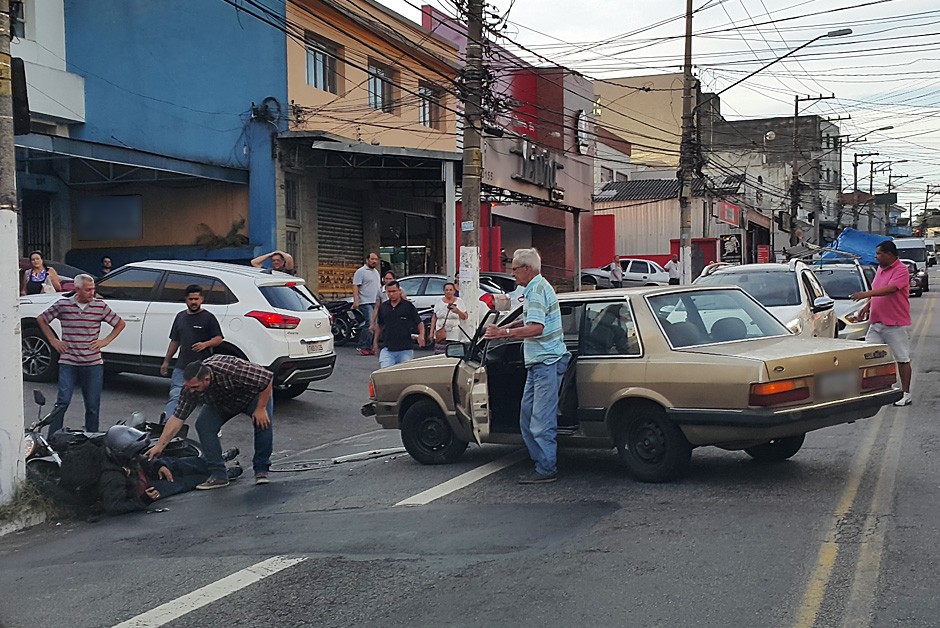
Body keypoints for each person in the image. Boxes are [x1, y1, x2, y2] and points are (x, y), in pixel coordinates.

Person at [484, 248, 570, 484]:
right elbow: (533, 320)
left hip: (546, 361)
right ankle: (540, 462)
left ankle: (546, 468)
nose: (512, 273)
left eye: (514, 269)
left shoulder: (536, 290)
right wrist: (506, 329)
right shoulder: (537, 288)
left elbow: (536, 328)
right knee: (528, 416)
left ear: (527, 269)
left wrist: (504, 332)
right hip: (540, 362)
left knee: (540, 420)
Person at [147, 355, 274, 488]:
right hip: (221, 403)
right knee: (203, 426)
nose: (191, 391)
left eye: (195, 387)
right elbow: (177, 418)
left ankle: (261, 470)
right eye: (189, 387)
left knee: (263, 422)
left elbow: (267, 378)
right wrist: (159, 446)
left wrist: (261, 408)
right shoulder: (189, 389)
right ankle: (219, 475)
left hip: (252, 397)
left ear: (206, 379)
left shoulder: (231, 369)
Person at [37, 274, 126, 435]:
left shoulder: (100, 306)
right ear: (77, 289)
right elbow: (42, 319)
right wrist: (53, 341)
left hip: (92, 364)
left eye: (93, 289)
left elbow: (120, 323)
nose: (92, 293)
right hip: (68, 361)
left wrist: (105, 341)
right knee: (62, 402)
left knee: (92, 405)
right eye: (88, 290)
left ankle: (92, 437)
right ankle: (53, 437)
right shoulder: (64, 304)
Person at [851, 240, 913, 407]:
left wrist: (865, 294)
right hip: (876, 322)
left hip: (895, 324)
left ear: (889, 254)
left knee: (902, 358)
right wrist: (867, 306)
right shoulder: (880, 269)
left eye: (879, 253)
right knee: (869, 357)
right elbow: (878, 292)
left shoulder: (901, 270)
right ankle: (875, 390)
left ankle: (906, 393)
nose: (876, 257)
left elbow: (891, 289)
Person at [98, 425, 211, 516]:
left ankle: (214, 462)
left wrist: (157, 466)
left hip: (140, 475)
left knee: (175, 464)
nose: (136, 455)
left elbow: (139, 458)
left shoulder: (124, 457)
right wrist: (144, 499)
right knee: (180, 483)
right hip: (144, 490)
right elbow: (115, 506)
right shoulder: (112, 477)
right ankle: (213, 476)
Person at [160, 284, 224, 421]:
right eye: (191, 299)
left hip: (203, 367)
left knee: (209, 399)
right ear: (186, 300)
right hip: (182, 366)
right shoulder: (180, 317)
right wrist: (166, 361)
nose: (194, 302)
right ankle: (169, 423)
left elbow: (219, 339)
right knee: (176, 394)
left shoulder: (208, 318)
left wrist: (205, 344)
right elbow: (174, 341)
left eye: (196, 299)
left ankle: (212, 424)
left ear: (202, 299)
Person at [373, 280, 425, 367]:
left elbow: (419, 322)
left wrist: (421, 335)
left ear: (399, 291)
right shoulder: (383, 307)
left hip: (405, 349)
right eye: (389, 292)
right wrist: (375, 342)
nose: (391, 294)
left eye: (394, 291)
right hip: (387, 349)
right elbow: (380, 325)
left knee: (403, 377)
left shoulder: (408, 306)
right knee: (385, 373)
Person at [353, 252, 381, 356]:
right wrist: (356, 300)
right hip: (365, 302)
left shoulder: (376, 272)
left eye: (376, 259)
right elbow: (355, 286)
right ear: (367, 260)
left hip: (375, 302)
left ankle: (370, 346)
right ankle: (362, 346)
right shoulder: (361, 271)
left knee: (375, 325)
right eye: (372, 259)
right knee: (369, 323)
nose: (374, 261)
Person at [430, 282, 468, 354]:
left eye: (450, 290)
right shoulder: (439, 302)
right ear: (443, 291)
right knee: (440, 354)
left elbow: (465, 317)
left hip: (454, 333)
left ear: (454, 291)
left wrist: (457, 311)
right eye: (446, 290)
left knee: (453, 353)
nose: (448, 292)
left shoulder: (459, 301)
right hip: (440, 333)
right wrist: (431, 332)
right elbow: (434, 317)